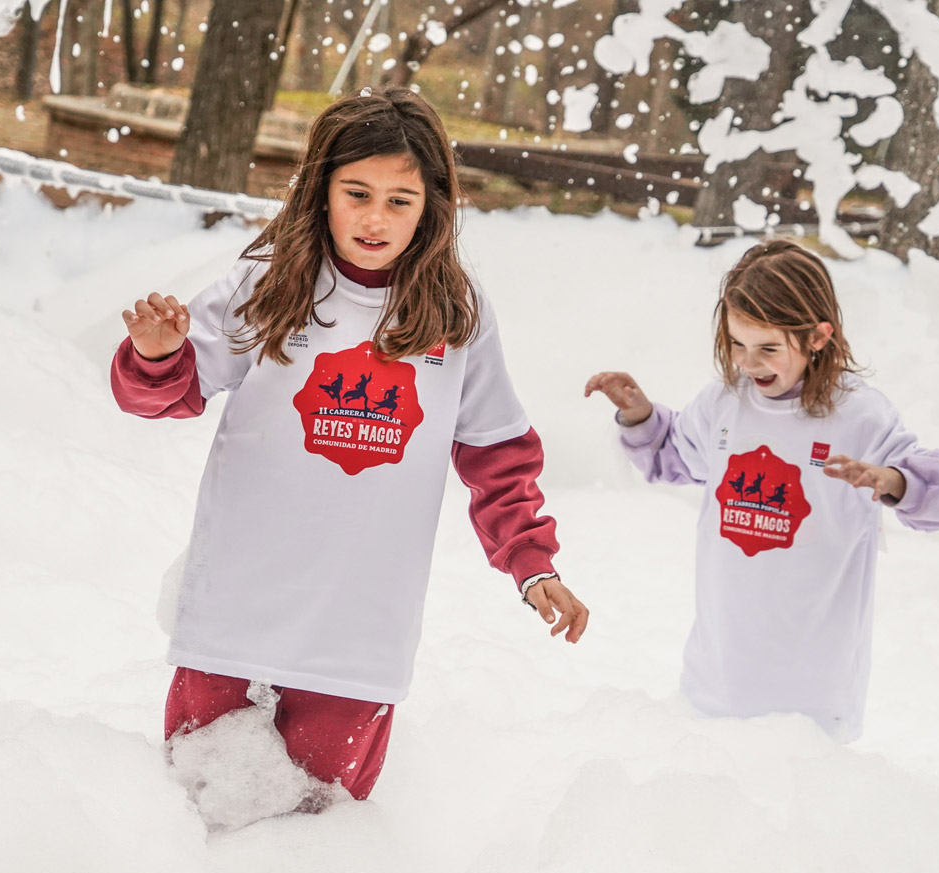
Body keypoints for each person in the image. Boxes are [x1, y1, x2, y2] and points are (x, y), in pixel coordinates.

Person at [111, 87, 588, 808]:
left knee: (322, 838)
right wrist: (155, 355)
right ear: (320, 191)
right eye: (356, 192)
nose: (375, 217)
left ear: (433, 206)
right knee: (194, 809)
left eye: (400, 200)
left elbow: (497, 452)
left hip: (358, 633)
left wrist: (530, 561)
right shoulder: (269, 286)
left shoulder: (456, 313)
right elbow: (163, 394)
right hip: (237, 609)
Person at [584, 240, 939, 742]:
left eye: (767, 348)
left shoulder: (860, 416)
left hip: (812, 697)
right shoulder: (723, 403)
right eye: (736, 344)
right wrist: (639, 414)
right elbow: (672, 456)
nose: (748, 362)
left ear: (817, 336)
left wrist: (893, 481)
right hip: (717, 681)